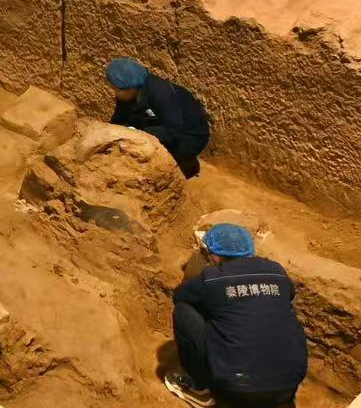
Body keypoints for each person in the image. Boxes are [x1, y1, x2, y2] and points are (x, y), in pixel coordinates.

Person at [164, 223, 307, 408]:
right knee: (281, 311)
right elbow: (290, 293)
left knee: (184, 311)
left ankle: (203, 391)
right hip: (288, 386)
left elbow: (180, 297)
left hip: (237, 391)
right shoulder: (276, 270)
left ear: (214, 255)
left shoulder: (212, 277)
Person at [106, 57, 210, 178]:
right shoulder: (127, 95)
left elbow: (174, 130)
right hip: (156, 124)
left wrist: (139, 134)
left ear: (130, 88)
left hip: (188, 135)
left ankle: (183, 165)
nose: (115, 93)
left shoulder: (162, 95)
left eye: (116, 90)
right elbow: (119, 119)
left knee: (152, 166)